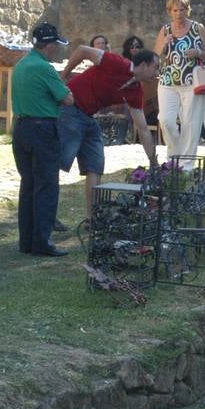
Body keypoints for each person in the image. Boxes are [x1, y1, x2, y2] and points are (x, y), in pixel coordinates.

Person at [58, 43, 161, 221]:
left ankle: (92, 218)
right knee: (58, 162)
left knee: (95, 165)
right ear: (143, 65)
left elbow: (143, 129)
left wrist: (153, 161)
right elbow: (82, 50)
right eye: (155, 67)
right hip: (70, 108)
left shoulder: (135, 91)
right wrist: (64, 75)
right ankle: (48, 215)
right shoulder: (115, 62)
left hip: (88, 116)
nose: (157, 72)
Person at [11, 23, 74, 257]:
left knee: (28, 185)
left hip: (21, 128)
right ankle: (42, 242)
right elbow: (67, 99)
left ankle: (26, 240)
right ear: (49, 45)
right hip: (42, 129)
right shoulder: (43, 67)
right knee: (46, 185)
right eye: (56, 45)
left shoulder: (22, 64)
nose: (57, 49)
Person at [153, 0, 205, 167]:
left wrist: (198, 53)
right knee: (166, 120)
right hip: (167, 81)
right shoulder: (165, 30)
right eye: (174, 10)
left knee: (191, 124)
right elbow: (155, 56)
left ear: (188, 10)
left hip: (192, 83)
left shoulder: (197, 28)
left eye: (182, 9)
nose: (178, 13)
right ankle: (173, 158)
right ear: (169, 11)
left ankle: (186, 166)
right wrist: (164, 44)